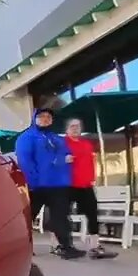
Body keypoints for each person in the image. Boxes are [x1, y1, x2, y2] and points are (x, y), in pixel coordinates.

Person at [15, 108, 85, 259]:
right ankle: (20, 248)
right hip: (37, 186)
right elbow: (25, 161)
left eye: (49, 117)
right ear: (34, 118)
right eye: (42, 116)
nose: (46, 119)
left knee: (61, 217)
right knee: (27, 217)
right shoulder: (26, 138)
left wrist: (63, 165)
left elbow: (67, 155)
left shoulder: (56, 138)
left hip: (58, 185)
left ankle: (66, 247)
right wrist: (32, 182)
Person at [65, 119, 117, 259]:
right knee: (62, 214)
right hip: (68, 184)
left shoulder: (87, 144)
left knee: (92, 213)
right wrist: (63, 159)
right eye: (72, 126)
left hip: (86, 185)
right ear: (67, 130)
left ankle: (94, 247)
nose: (75, 129)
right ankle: (59, 244)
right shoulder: (62, 144)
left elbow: (89, 163)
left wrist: (92, 178)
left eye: (78, 126)